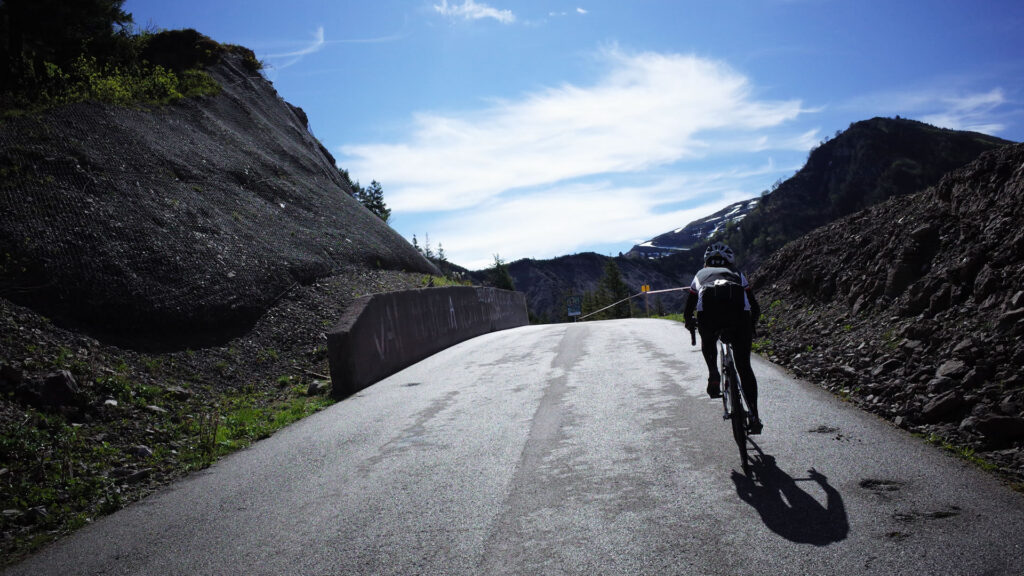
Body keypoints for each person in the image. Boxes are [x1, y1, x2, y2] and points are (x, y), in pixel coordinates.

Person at [683, 242, 763, 433]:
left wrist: (690, 322)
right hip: (738, 318)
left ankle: (713, 373)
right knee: (744, 367)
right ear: (730, 260)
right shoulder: (738, 274)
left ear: (706, 261)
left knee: (708, 339)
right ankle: (754, 416)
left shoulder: (699, 275)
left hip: (708, 317)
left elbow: (689, 308)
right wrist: (751, 325)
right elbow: (754, 306)